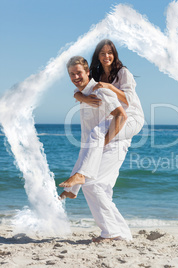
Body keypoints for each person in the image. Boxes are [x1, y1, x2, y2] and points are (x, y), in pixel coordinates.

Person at [60, 41, 144, 241]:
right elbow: (83, 87)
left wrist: (107, 87)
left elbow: (126, 105)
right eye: (103, 53)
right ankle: (121, 234)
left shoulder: (121, 73)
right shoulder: (95, 80)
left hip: (130, 119)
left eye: (110, 53)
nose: (107, 56)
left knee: (96, 139)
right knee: (102, 188)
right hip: (115, 126)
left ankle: (110, 231)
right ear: (97, 56)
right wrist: (82, 97)